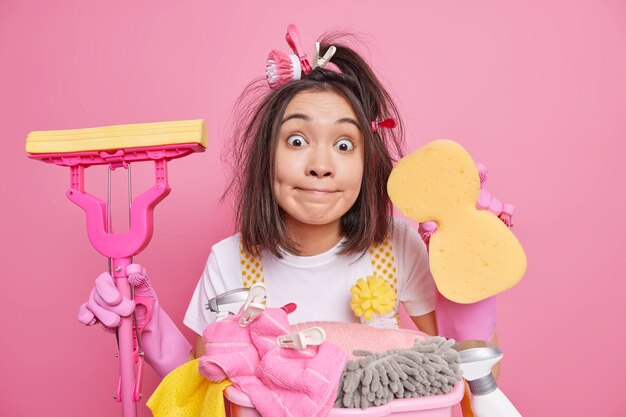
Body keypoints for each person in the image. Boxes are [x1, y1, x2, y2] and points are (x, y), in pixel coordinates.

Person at [77, 25, 490, 379]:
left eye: (345, 145)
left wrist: (473, 273)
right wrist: (142, 323)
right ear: (266, 158)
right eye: (297, 141)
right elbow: (202, 384)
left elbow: (466, 374)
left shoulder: (396, 245)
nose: (321, 166)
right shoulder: (231, 260)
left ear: (368, 165)